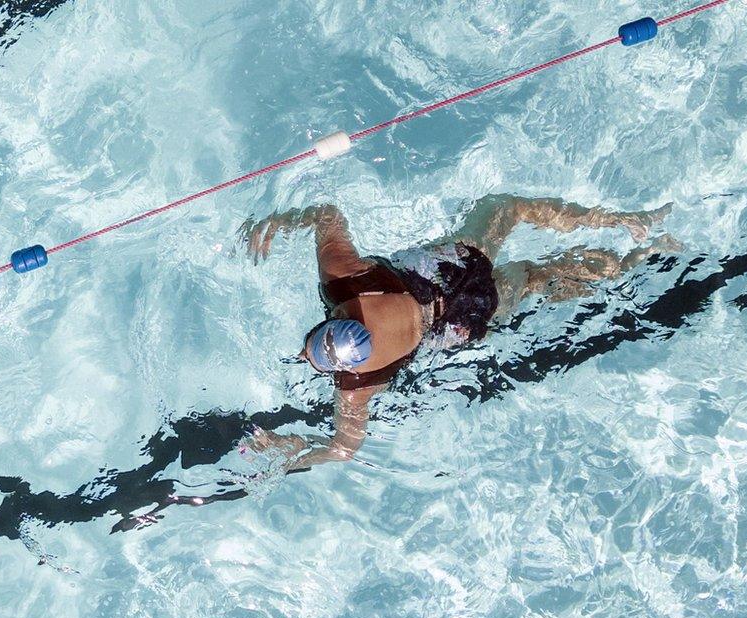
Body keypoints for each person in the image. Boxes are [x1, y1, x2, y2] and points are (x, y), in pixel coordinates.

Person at [239, 195, 674, 469]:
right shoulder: (347, 281)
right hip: (456, 270)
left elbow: (342, 449)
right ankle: (624, 219)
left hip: (466, 321)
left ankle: (635, 259)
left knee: (537, 277)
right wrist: (283, 221)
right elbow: (328, 215)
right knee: (509, 210)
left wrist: (293, 447)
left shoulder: (357, 386)